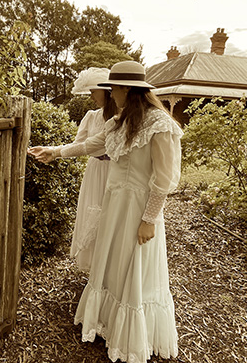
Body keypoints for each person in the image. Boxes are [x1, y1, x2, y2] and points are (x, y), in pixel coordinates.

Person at [28, 60, 182, 362]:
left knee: (132, 267)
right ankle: (109, 323)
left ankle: (132, 336)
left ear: (126, 89)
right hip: (115, 205)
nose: (111, 95)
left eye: (114, 89)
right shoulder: (121, 121)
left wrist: (149, 219)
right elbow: (92, 145)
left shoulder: (161, 126)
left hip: (138, 209)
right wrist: (55, 152)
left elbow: (163, 180)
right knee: (112, 263)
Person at [68, 67, 117, 271]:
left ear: (105, 90)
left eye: (93, 92)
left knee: (113, 215)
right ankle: (95, 264)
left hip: (116, 170)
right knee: (93, 211)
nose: (91, 98)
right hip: (96, 170)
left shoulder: (122, 116)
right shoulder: (91, 116)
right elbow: (78, 145)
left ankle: (112, 262)